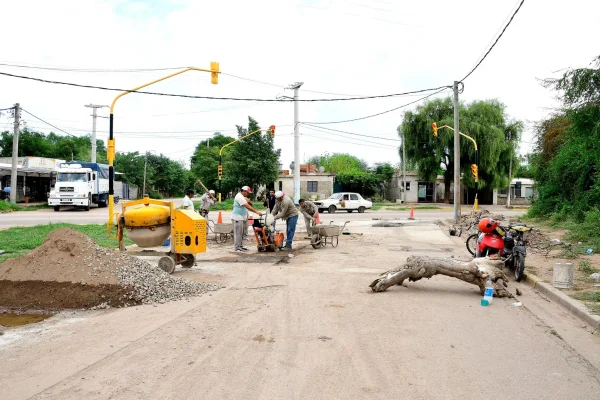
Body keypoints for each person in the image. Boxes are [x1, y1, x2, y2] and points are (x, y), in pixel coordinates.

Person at [232, 185, 262, 252]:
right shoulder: (239, 196)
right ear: (244, 191)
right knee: (238, 233)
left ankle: (240, 246)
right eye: (247, 192)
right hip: (237, 217)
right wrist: (256, 212)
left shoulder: (242, 197)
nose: (248, 194)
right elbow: (247, 206)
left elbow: (249, 204)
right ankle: (237, 247)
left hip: (242, 217)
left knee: (242, 232)